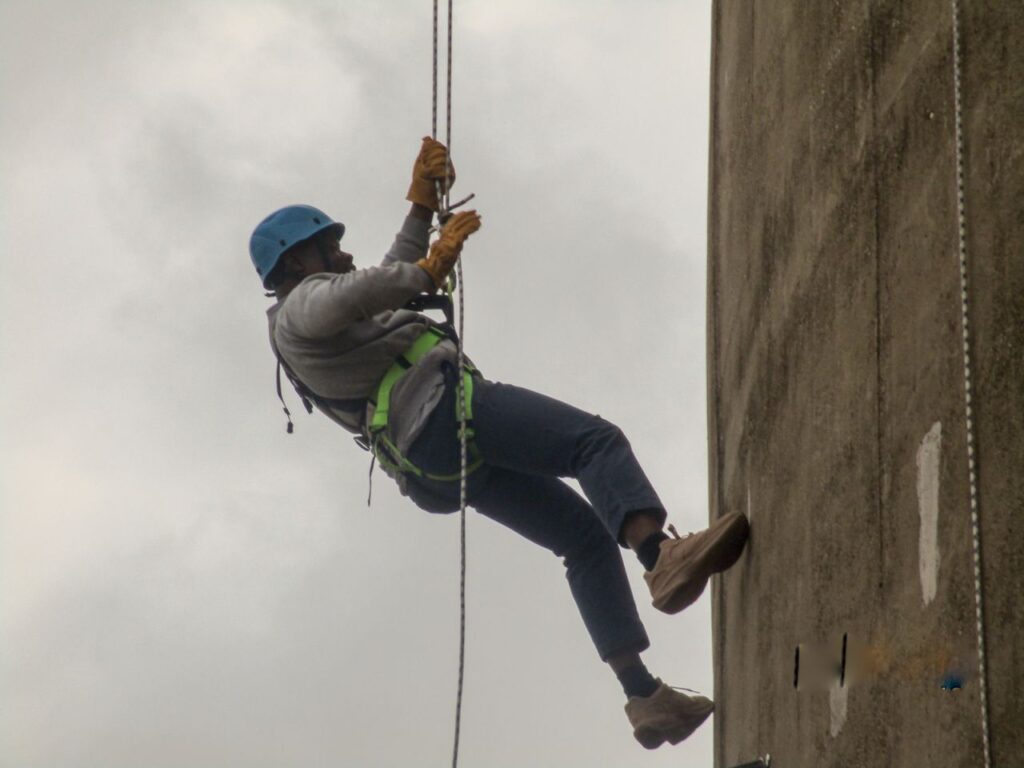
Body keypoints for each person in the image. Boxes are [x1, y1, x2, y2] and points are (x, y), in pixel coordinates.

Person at [249, 138, 750, 749]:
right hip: (444, 413)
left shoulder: (311, 321)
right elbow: (364, 288)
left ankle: (644, 698)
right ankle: (659, 559)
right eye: (330, 246)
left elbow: (378, 286)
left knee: (583, 540)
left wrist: (417, 212)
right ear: (298, 262)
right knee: (593, 443)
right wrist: (427, 268)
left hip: (433, 463)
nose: (344, 253)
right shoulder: (302, 308)